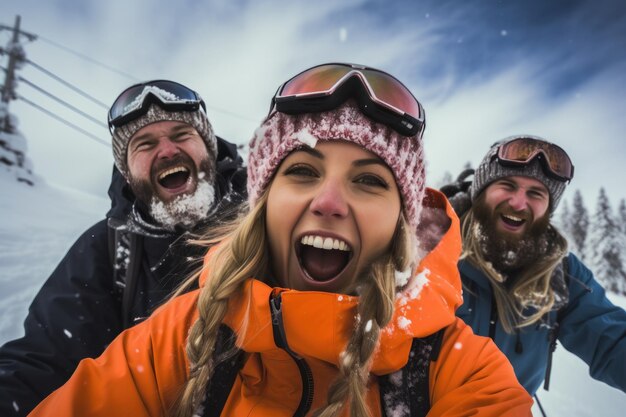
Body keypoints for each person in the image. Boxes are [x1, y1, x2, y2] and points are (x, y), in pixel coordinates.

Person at [29, 63, 532, 417]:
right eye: (303, 172)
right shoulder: (179, 336)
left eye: (370, 180)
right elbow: (48, 360)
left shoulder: (458, 371)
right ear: (264, 203)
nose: (329, 203)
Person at [0, 80, 246, 417]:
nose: (168, 151)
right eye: (144, 144)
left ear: (210, 149)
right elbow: (45, 361)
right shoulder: (108, 248)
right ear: (127, 174)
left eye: (181, 135)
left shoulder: (265, 220)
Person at [443, 135, 626, 396]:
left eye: (535, 193)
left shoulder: (561, 272)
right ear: (480, 191)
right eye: (507, 185)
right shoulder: (430, 243)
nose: (519, 203)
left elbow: (611, 339)